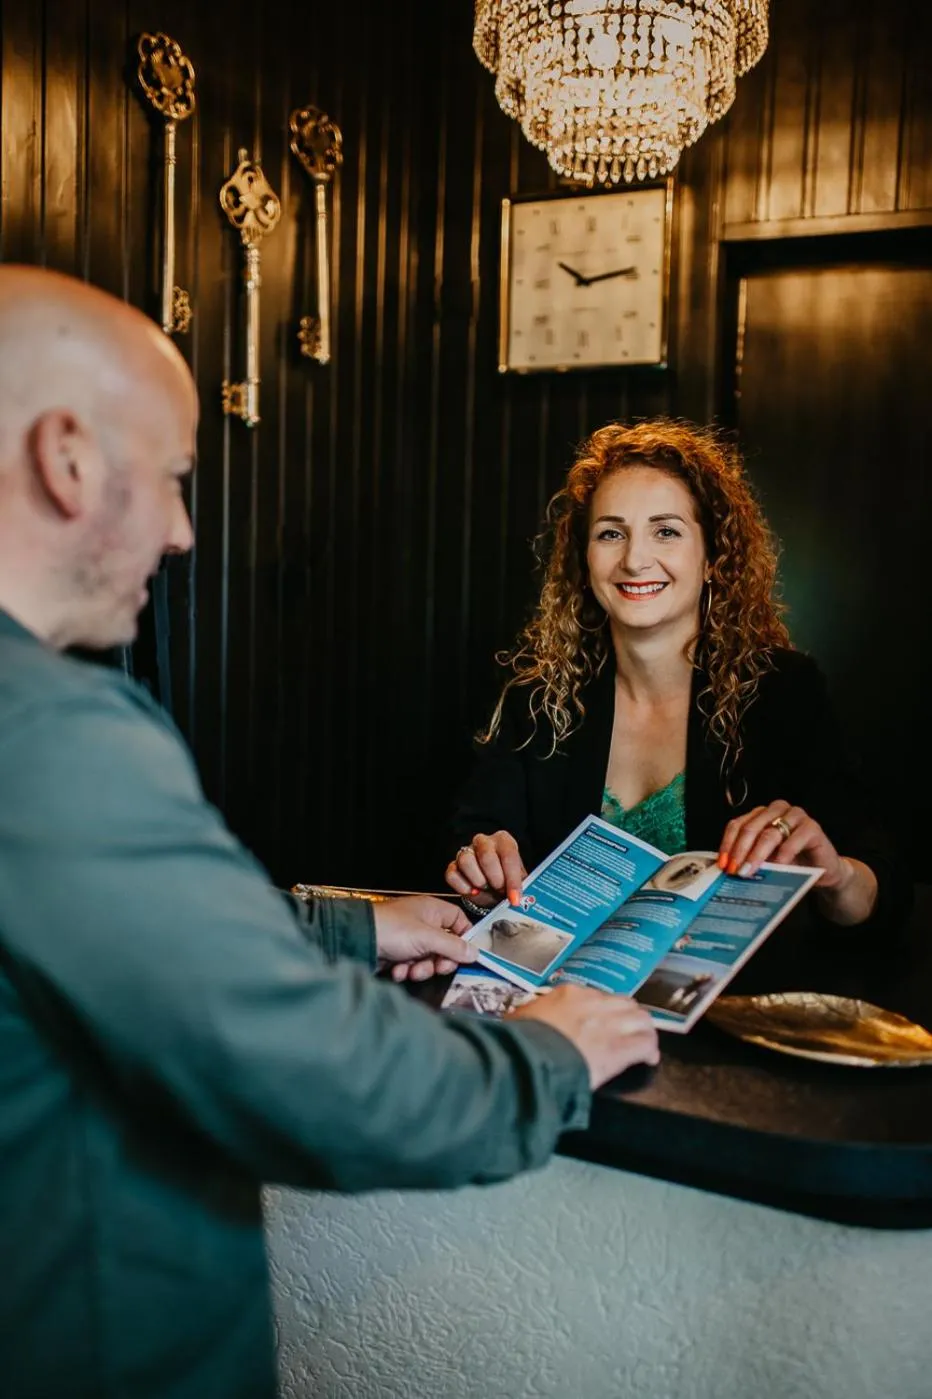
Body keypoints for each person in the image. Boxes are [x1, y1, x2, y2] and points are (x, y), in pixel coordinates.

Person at [0, 266, 660, 1399]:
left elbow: (98, 932)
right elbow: (318, 1077)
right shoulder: (51, 735)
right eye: (170, 479)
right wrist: (548, 1052)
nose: (181, 531)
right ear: (66, 458)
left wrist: (344, 926)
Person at [446, 419, 909, 935]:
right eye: (611, 533)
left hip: (728, 1007)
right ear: (585, 557)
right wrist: (480, 872)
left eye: (665, 531)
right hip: (564, 1005)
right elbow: (476, 859)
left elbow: (879, 891)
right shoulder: (536, 700)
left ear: (713, 556)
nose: (635, 559)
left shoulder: (784, 691)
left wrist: (836, 875)